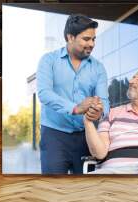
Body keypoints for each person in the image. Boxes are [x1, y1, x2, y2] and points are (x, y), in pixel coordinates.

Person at [36, 14, 109, 174]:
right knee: (53, 189)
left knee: (84, 191)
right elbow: (44, 93)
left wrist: (99, 111)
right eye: (86, 39)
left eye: (93, 39)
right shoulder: (49, 61)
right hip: (54, 135)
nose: (92, 44)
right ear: (70, 37)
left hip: (85, 137)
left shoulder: (98, 68)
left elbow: (104, 101)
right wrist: (75, 108)